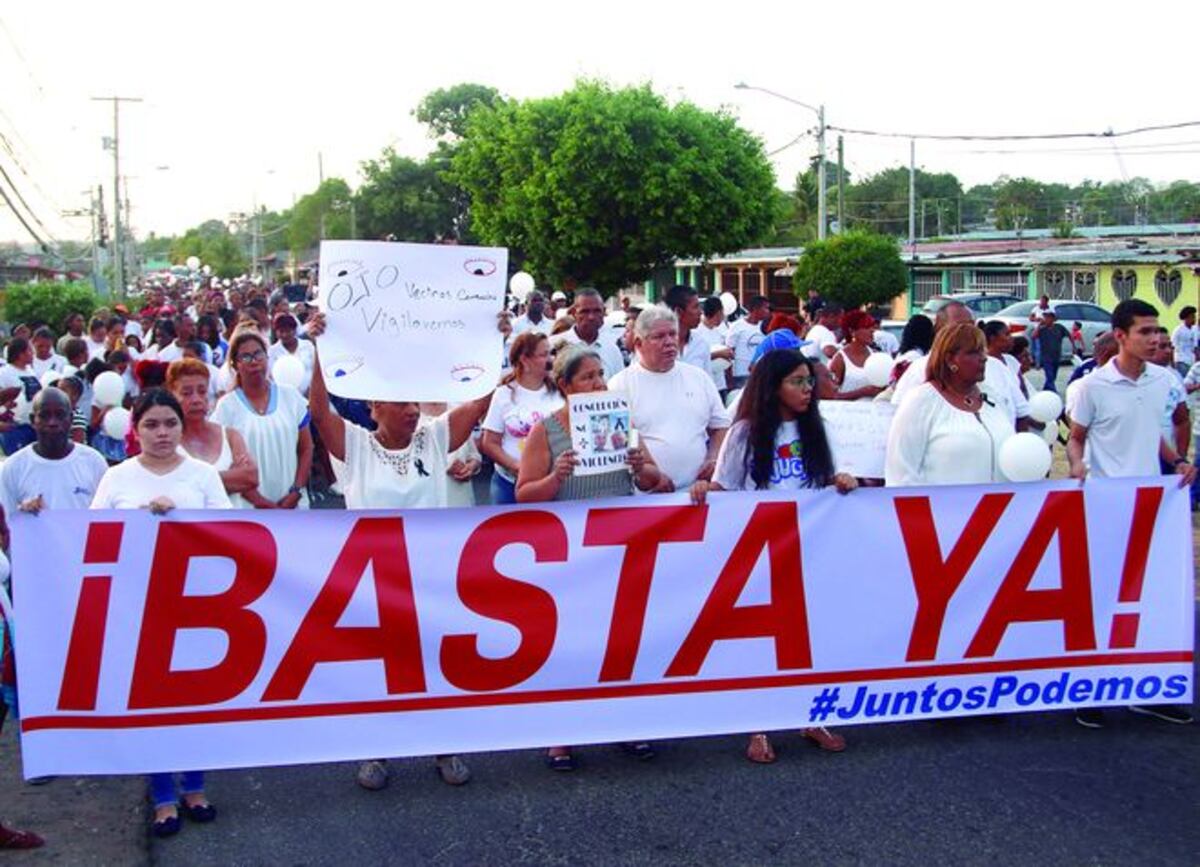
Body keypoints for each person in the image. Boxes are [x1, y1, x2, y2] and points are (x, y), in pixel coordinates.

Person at [305, 312, 489, 787]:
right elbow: (321, 414)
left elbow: (479, 402)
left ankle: (443, 749)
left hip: (428, 578)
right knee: (376, 669)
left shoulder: (433, 437)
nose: (412, 410)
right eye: (400, 402)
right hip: (373, 583)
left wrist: (493, 338)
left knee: (434, 661)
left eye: (414, 402)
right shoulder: (357, 446)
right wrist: (321, 353)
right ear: (374, 409)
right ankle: (375, 751)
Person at [691, 348, 854, 760]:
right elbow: (726, 488)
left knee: (811, 635)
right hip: (760, 550)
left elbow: (828, 479)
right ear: (773, 387)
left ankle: (811, 715)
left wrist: (844, 481)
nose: (807, 389)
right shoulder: (745, 432)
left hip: (809, 548)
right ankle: (757, 726)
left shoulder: (819, 428)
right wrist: (701, 490)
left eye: (809, 381)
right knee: (761, 642)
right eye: (797, 382)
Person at [91, 389, 230, 837]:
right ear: (136, 429)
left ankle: (194, 786)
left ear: (181, 426)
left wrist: (182, 523)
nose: (162, 432)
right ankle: (162, 795)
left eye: (169, 422)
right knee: (150, 701)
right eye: (151, 424)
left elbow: (233, 535)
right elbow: (91, 536)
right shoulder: (117, 478)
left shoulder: (203, 475)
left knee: (193, 700)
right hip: (138, 605)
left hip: (196, 605)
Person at [516, 346, 663, 769]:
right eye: (588, 378)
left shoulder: (622, 421)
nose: (598, 384)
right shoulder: (545, 432)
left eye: (600, 375)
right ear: (564, 386)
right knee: (570, 642)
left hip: (620, 545)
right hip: (571, 553)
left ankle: (626, 725)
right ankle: (562, 734)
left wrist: (641, 469)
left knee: (622, 640)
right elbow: (525, 494)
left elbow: (656, 481)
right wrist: (554, 477)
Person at [1067, 299, 1195, 728]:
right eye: (1145, 331)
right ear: (1120, 336)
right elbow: (1076, 437)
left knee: (1149, 597)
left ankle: (1148, 689)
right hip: (1103, 508)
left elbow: (1153, 430)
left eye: (1157, 330)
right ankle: (1088, 689)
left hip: (1152, 507)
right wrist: (1076, 464)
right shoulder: (1092, 386)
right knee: (1100, 599)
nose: (1156, 338)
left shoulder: (1163, 379)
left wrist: (1176, 461)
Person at [609, 306, 730, 491]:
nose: (669, 342)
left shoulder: (699, 378)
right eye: (659, 337)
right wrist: (651, 476)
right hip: (644, 497)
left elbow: (720, 426)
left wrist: (713, 459)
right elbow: (622, 442)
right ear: (639, 343)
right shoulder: (618, 386)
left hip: (697, 494)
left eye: (672, 334)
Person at [885, 323, 1015, 486]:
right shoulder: (920, 401)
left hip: (999, 507)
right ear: (949, 359)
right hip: (942, 509)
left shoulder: (992, 397)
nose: (984, 357)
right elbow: (901, 474)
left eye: (983, 350)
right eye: (974, 352)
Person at [210, 327, 313, 510]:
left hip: (293, 504)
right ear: (235, 365)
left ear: (267, 357)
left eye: (258, 354)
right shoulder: (226, 407)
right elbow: (227, 464)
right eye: (246, 357)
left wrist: (297, 490)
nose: (254, 362)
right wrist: (260, 501)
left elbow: (306, 448)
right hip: (250, 509)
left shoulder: (290, 396)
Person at [893, 301, 1030, 429]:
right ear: (940, 331)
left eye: (972, 325)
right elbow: (899, 418)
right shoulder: (919, 370)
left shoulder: (997, 367)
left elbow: (1021, 415)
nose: (970, 332)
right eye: (961, 327)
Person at [479, 333, 564, 505]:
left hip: (552, 484)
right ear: (525, 360)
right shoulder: (504, 394)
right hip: (508, 484)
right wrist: (516, 466)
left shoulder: (560, 392)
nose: (551, 359)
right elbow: (489, 443)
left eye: (551, 353)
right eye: (543, 355)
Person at [166, 359, 258, 501]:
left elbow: (250, 478)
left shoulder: (230, 436)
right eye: (187, 393)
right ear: (173, 397)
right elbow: (169, 487)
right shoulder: (167, 442)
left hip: (230, 522)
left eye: (202, 392)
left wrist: (191, 482)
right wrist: (231, 476)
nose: (196, 399)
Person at [550, 288, 624, 379]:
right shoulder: (554, 345)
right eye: (585, 311)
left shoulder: (612, 350)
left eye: (597, 311)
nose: (591, 317)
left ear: (604, 312)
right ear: (574, 313)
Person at [829, 310, 885, 401]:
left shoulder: (875, 356)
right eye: (866, 327)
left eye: (872, 327)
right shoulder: (840, 359)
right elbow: (832, 396)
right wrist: (862, 392)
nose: (872, 331)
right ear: (852, 331)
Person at [0, 339, 41, 455]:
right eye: (29, 350)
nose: (32, 353)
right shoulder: (4, 373)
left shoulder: (30, 371)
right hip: (14, 427)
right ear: (20, 353)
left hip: (32, 424)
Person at [724, 296, 772, 387]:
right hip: (741, 374)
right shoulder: (737, 326)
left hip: (761, 374)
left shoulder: (766, 327)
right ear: (755, 309)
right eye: (765, 308)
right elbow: (729, 352)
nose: (768, 311)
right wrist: (729, 378)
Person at [267, 313, 315, 395]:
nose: (285, 335)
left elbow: (316, 368)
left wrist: (312, 388)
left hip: (312, 393)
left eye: (288, 331)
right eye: (281, 331)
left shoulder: (307, 345)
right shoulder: (272, 351)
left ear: (295, 330)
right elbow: (272, 377)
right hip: (286, 396)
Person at [1031, 309, 1069, 394]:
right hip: (1046, 356)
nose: (1047, 319)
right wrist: (1039, 326)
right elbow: (1033, 336)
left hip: (1056, 355)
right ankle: (1053, 391)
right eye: (1045, 317)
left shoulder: (1059, 327)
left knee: (1053, 375)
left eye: (1049, 317)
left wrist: (1073, 346)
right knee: (1049, 374)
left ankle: (1046, 388)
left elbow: (1069, 335)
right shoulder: (1042, 329)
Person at [1172, 306, 1197, 377]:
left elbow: (1195, 347)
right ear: (1186, 318)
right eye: (1192, 317)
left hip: (1192, 362)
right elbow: (1172, 347)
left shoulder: (1195, 330)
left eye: (1194, 317)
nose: (1194, 319)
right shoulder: (1178, 330)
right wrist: (1172, 363)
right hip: (1181, 361)